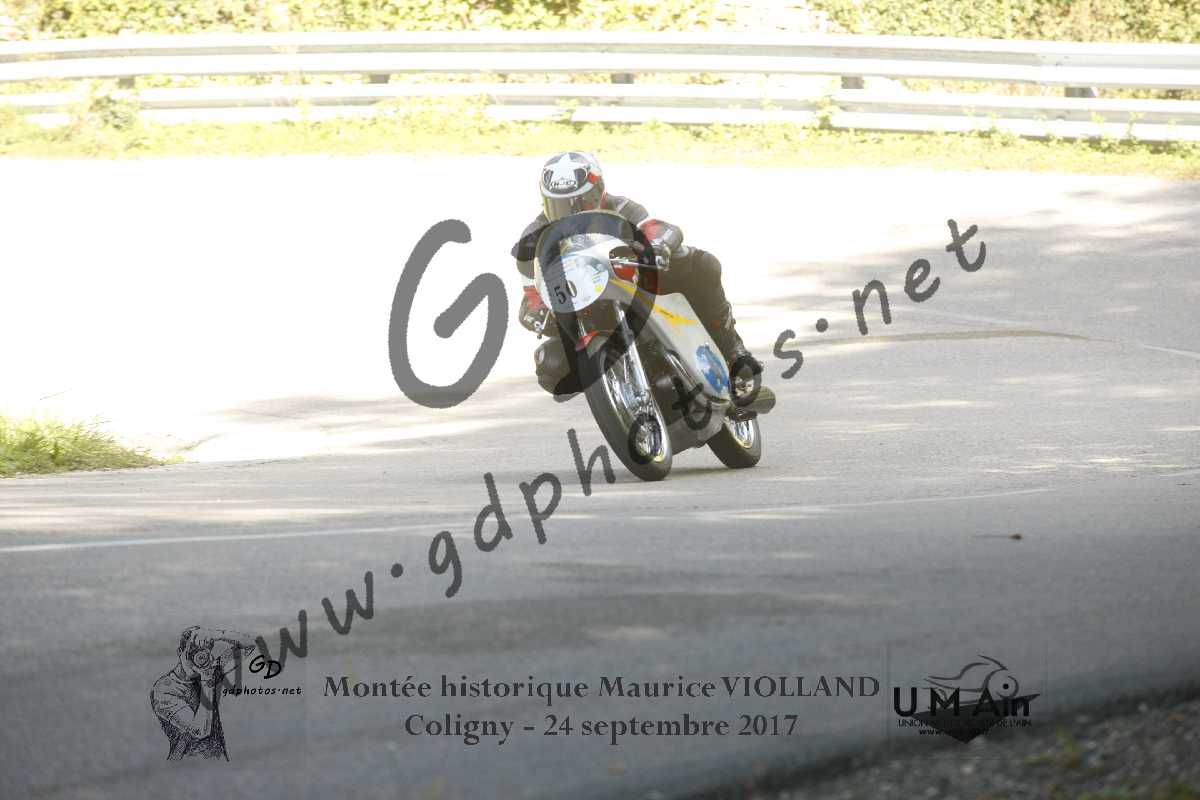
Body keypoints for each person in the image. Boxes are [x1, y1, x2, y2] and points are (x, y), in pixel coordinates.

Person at [512, 151, 763, 387]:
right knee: (551, 365)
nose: (570, 214)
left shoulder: (621, 208)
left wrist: (659, 245)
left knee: (703, 265)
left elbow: (654, 228)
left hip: (631, 282)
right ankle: (616, 394)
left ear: (599, 192)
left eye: (581, 203)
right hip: (581, 304)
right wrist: (535, 312)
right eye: (558, 206)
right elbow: (532, 294)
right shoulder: (533, 239)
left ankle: (733, 350)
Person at [150, 626, 257, 760]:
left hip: (219, 762)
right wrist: (207, 679)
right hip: (185, 764)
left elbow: (249, 644)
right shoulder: (164, 690)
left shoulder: (210, 670)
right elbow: (200, 731)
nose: (198, 657)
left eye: (203, 651)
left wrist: (215, 634)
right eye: (192, 651)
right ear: (180, 651)